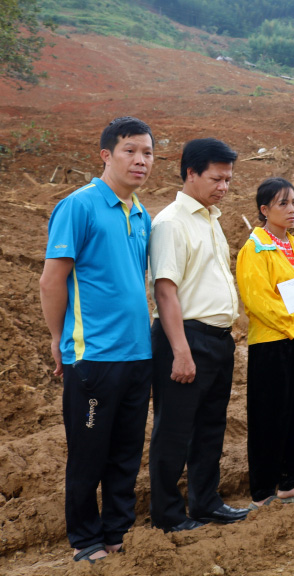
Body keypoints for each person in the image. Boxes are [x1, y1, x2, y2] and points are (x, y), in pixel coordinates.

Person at [39, 117, 155, 563]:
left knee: (126, 452)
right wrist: (57, 338)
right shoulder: (79, 206)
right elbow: (52, 281)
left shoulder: (141, 212)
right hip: (93, 358)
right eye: (129, 151)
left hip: (137, 353)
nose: (140, 160)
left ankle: (117, 532)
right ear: (106, 155)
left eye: (146, 153)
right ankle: (85, 539)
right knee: (89, 452)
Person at [149, 138, 249, 532]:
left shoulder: (211, 218)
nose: (223, 186)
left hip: (218, 340)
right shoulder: (171, 222)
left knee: (210, 427)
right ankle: (167, 515)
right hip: (186, 338)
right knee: (174, 430)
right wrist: (181, 351)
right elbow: (165, 291)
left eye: (228, 179)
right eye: (216, 178)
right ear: (190, 173)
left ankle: (205, 502)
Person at [236, 177, 294, 508]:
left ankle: (290, 483)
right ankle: (262, 491)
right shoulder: (254, 249)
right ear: (264, 210)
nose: (292, 209)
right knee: (269, 416)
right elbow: (258, 302)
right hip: (271, 343)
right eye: (283, 204)